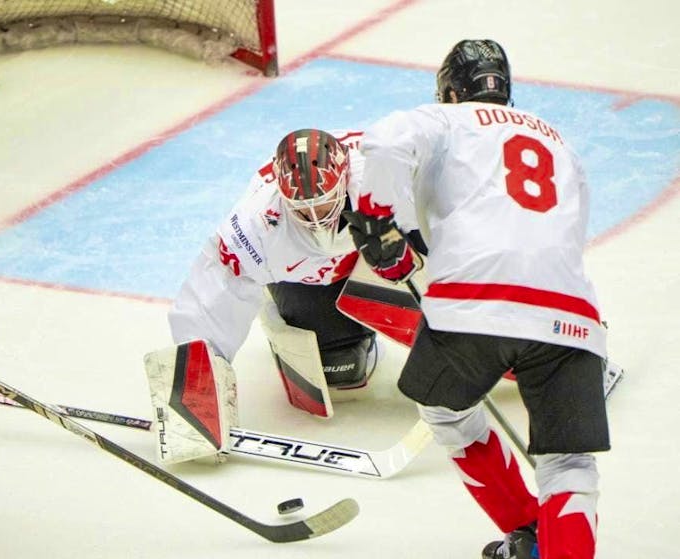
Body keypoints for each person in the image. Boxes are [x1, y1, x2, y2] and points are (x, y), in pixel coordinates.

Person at [345, 39, 609, 558]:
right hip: (573, 314)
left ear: (450, 90)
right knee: (570, 462)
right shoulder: (561, 143)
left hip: (475, 303)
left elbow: (382, 144)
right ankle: (549, 540)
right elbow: (567, 232)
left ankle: (525, 531)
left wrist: (379, 227)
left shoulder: (448, 120)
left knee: (445, 411)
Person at [166, 128, 382, 417]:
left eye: (324, 202)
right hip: (308, 278)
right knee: (342, 366)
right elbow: (211, 299)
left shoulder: (384, 170)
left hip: (377, 261)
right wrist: (198, 384)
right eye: (303, 209)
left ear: (345, 178)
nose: (316, 217)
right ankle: (289, 311)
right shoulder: (256, 224)